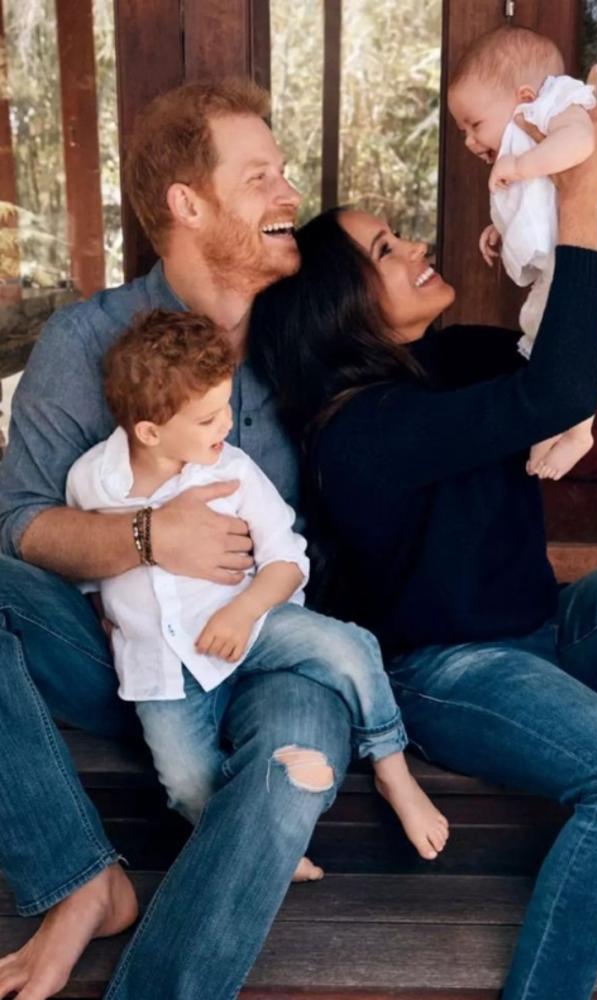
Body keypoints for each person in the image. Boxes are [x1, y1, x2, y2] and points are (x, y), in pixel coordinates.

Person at [250, 96, 597, 1000]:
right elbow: (550, 401)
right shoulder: (356, 432)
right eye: (387, 250)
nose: (419, 247)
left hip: (547, 641)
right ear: (339, 308)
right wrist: (576, 202)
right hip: (454, 676)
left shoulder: (452, 357)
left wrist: (581, 224)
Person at [0, 79, 375, 1000]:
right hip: (127, 657)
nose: (289, 195)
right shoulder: (86, 341)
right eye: (261, 179)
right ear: (187, 203)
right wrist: (147, 533)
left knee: (292, 769)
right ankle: (81, 879)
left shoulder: (311, 334)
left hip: (276, 647)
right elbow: (19, 527)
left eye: (283, 174)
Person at [66, 308, 448, 865]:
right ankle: (253, 840)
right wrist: (103, 607)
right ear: (150, 431)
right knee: (184, 780)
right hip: (163, 668)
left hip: (255, 621)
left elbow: (289, 560)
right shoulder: (91, 481)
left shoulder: (234, 471)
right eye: (206, 418)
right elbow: (85, 562)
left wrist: (243, 612)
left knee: (350, 647)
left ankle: (393, 769)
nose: (225, 425)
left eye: (226, 406)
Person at [447, 26, 597, 481]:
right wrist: (498, 230)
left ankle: (579, 432)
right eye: (462, 131)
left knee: (577, 346)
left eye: (475, 125)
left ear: (523, 96)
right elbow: (538, 207)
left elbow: (581, 145)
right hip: (566, 267)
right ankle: (552, 425)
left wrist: (519, 165)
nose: (469, 142)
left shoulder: (560, 105)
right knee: (551, 348)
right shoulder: (530, 140)